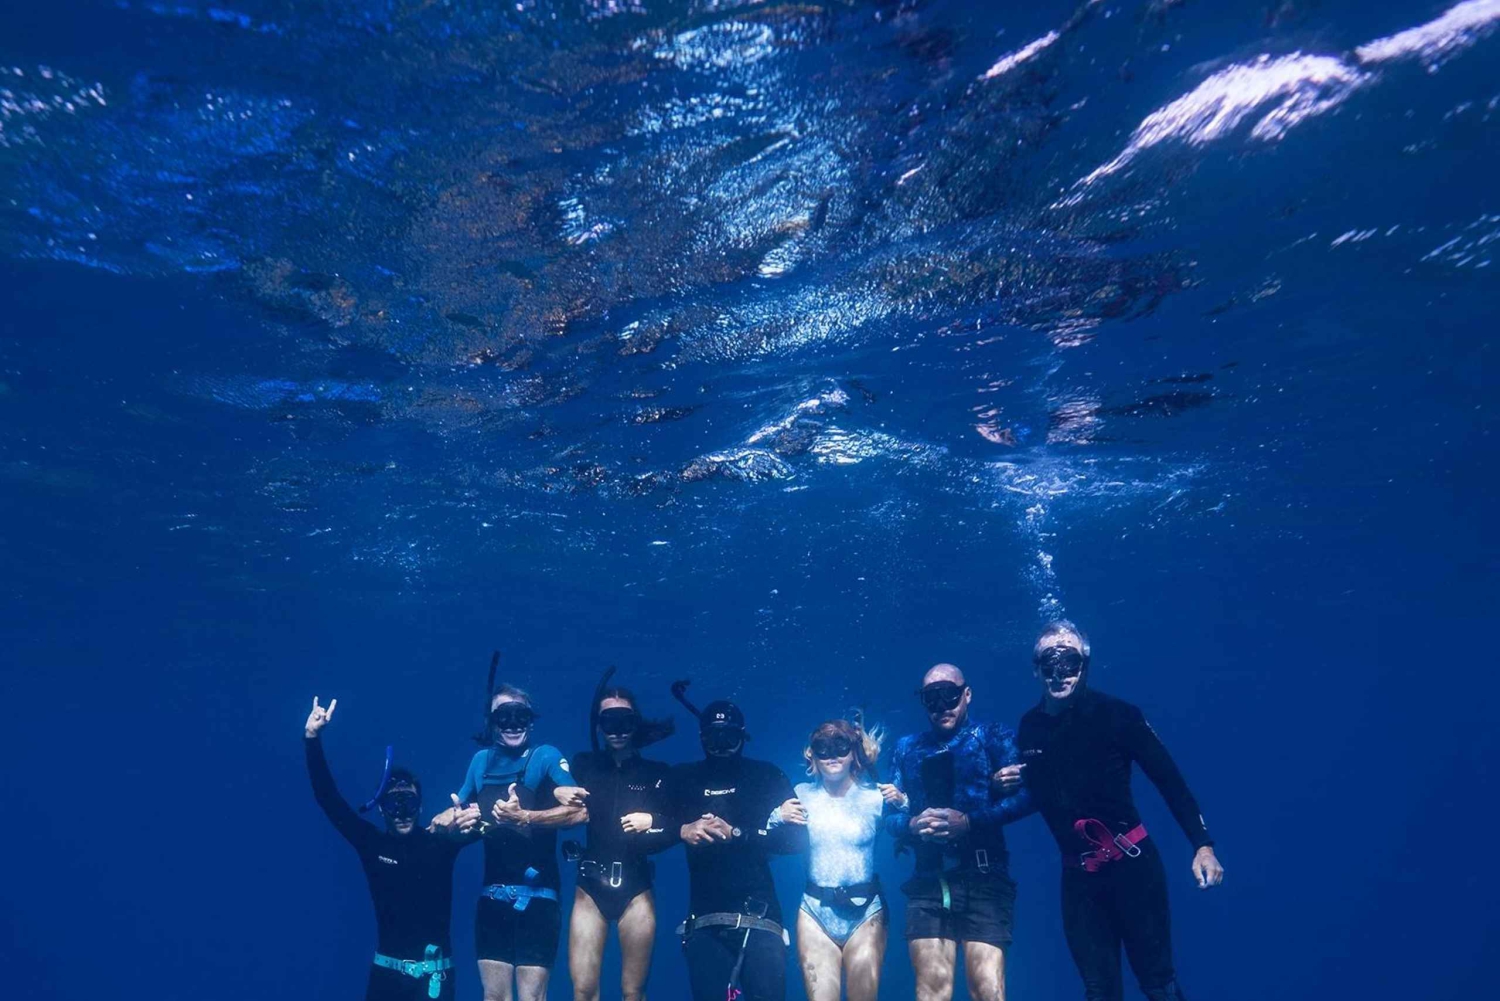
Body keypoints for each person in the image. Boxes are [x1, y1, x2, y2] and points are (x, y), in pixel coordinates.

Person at [1008, 621, 1223, 1001]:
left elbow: (1169, 780)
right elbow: (1042, 796)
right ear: (1035, 668)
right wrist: (1000, 790)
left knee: (1158, 982)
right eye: (1049, 662)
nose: (1059, 672)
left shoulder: (1118, 714)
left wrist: (1202, 844)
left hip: (1134, 869)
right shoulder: (1029, 729)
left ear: (1085, 664)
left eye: (1069, 661)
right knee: (1099, 991)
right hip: (1078, 882)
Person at [304, 696, 481, 1000]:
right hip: (385, 981)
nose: (402, 812)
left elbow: (495, 823)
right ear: (381, 809)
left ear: (421, 805)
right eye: (393, 803)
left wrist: (476, 816)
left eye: (409, 803)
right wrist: (312, 738)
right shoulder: (371, 843)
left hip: (435, 981)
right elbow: (328, 799)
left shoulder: (442, 842)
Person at [882, 664, 1032, 1001]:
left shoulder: (992, 736)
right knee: (931, 991)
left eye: (949, 695)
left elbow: (1029, 796)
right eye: (930, 698)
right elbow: (888, 817)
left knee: (987, 990)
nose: (941, 706)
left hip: (985, 876)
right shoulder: (906, 747)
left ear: (966, 694)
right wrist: (911, 825)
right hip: (928, 881)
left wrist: (970, 821)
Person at [666, 682, 809, 1001]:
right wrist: (680, 829)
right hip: (703, 923)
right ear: (702, 738)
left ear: (742, 736)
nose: (721, 746)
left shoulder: (767, 777)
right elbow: (646, 826)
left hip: (761, 920)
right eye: (713, 739)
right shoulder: (682, 779)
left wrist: (737, 833)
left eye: (729, 738)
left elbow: (796, 841)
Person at [455, 684, 587, 1001]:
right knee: (494, 997)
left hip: (539, 899)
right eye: (504, 716)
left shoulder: (545, 756)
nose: (513, 722)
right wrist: (452, 820)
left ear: (531, 721)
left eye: (520, 715)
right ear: (491, 722)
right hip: (491, 899)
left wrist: (525, 817)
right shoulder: (480, 762)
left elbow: (579, 813)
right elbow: (460, 813)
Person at [552, 674, 677, 1001]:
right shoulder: (583, 765)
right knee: (583, 991)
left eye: (625, 721)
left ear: (636, 723)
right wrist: (557, 790)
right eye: (609, 721)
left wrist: (654, 820)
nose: (618, 729)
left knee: (633, 992)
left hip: (636, 890)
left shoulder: (657, 772)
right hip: (589, 890)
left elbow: (676, 828)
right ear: (598, 725)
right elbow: (556, 808)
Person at [783, 717, 889, 1001]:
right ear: (812, 755)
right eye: (823, 748)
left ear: (854, 751)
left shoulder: (878, 797)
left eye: (840, 747)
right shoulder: (800, 795)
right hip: (814, 913)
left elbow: (915, 828)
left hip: (866, 913)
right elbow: (769, 836)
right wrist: (777, 816)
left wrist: (905, 802)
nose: (832, 756)